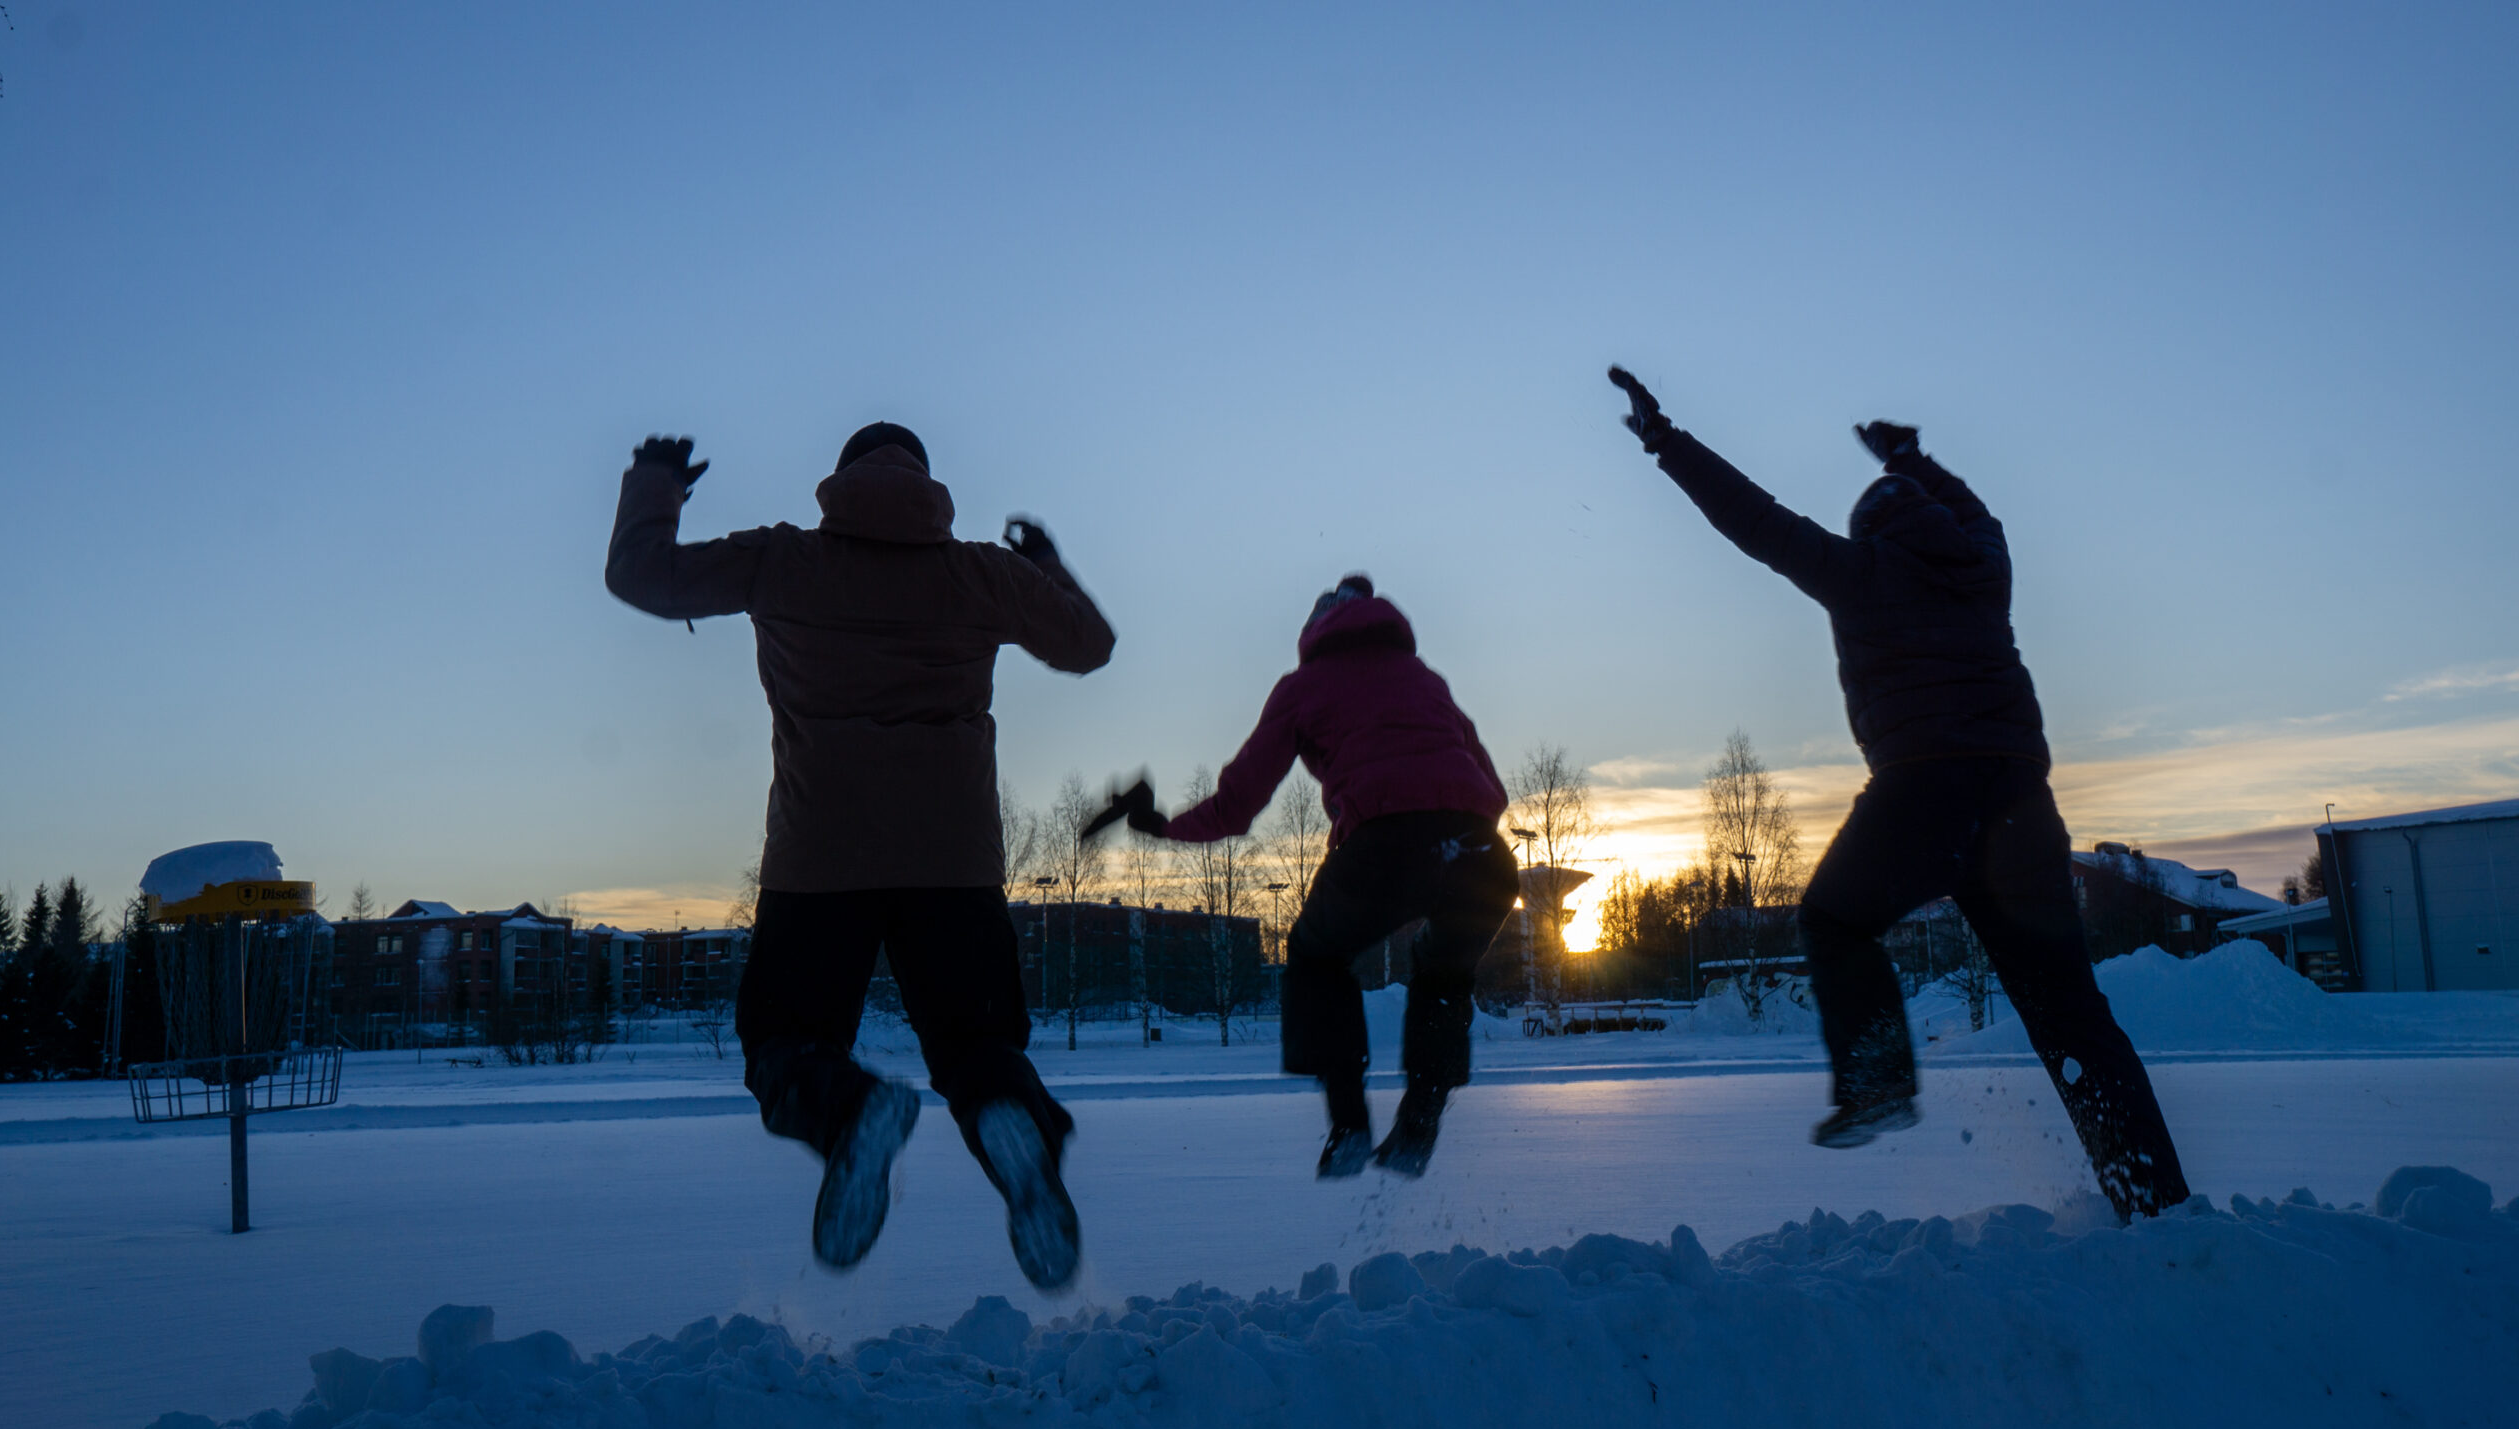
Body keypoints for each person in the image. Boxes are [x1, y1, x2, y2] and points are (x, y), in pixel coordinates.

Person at [1605, 367, 2190, 1220]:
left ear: (1869, 532)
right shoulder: (1985, 571)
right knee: (2072, 1016)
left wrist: (1669, 444)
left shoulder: (1861, 573)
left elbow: (1757, 522)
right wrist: (1914, 458)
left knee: (1836, 920)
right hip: (2023, 807)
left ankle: (1878, 1080)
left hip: (1925, 789)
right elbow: (1980, 515)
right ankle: (2153, 1196)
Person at [605, 422, 1113, 1289]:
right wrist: (1047, 566)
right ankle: (1012, 1126)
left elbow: (641, 576)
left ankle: (850, 1112)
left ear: (836, 482)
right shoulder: (980, 572)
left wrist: (658, 483)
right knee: (979, 1045)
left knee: (785, 1042)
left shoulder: (785, 560)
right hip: (952, 864)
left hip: (819, 860)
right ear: (927, 483)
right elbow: (1087, 646)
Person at [1084, 575, 1516, 1179]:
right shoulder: (1427, 681)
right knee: (1443, 971)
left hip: (1383, 850)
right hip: (1483, 855)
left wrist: (1164, 828)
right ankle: (1420, 1123)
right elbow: (1492, 793)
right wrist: (1446, 836)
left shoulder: (1303, 686)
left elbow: (1238, 806)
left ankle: (1349, 1127)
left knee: (1315, 955)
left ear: (1313, 633)